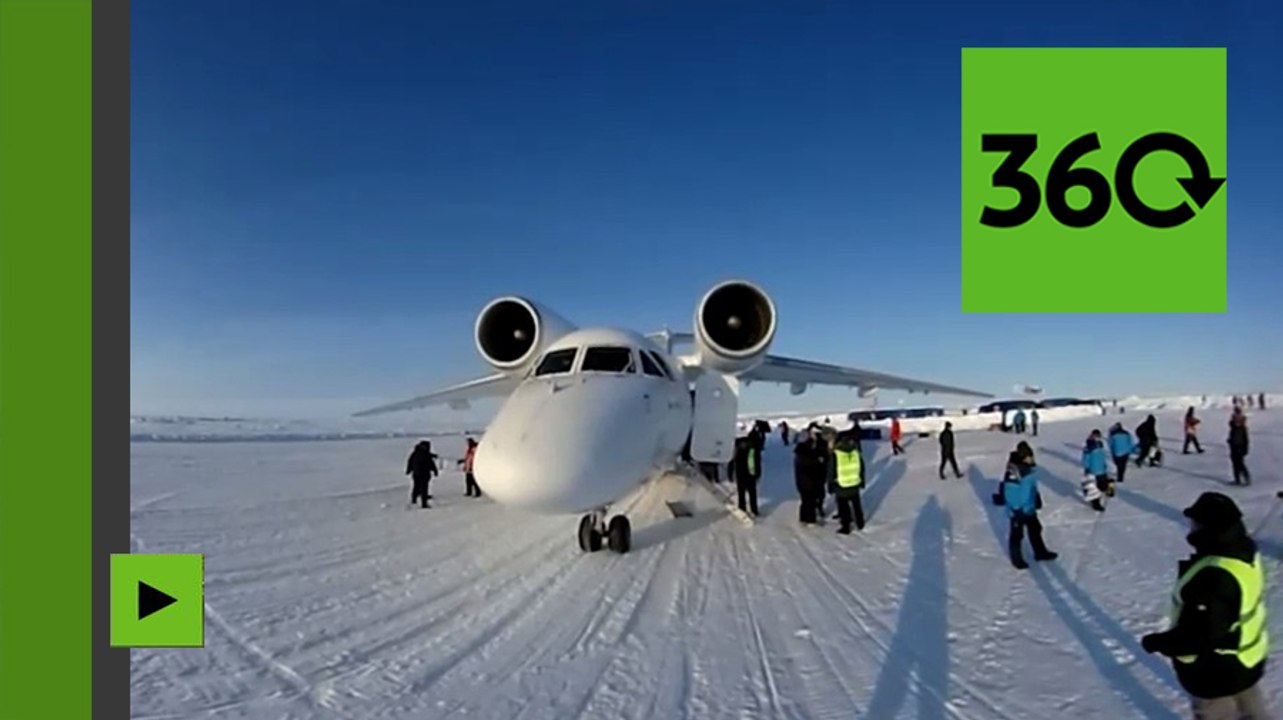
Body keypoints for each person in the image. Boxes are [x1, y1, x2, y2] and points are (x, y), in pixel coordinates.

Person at [1141, 492, 1272, 720]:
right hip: (1247, 660)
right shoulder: (1243, 550)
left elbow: (1199, 636)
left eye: (1196, 523)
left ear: (1209, 528)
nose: (1191, 528)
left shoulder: (1214, 575)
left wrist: (1157, 642)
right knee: (1252, 709)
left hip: (1215, 673)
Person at [1001, 442, 1057, 569]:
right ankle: (1017, 560)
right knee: (1017, 535)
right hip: (1019, 509)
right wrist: (1016, 508)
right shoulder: (1014, 471)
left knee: (1036, 529)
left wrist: (1036, 497)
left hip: (1029, 507)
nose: (1032, 458)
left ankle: (1040, 553)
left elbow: (1030, 485)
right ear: (1023, 457)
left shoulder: (1029, 467)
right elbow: (1009, 491)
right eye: (1029, 456)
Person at [827, 430, 866, 534]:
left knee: (843, 507)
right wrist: (862, 481)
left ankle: (846, 526)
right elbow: (862, 468)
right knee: (856, 505)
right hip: (854, 483)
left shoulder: (836, 454)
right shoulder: (856, 452)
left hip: (842, 485)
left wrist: (830, 484)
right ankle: (860, 523)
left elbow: (831, 470)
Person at [793, 430, 826, 525]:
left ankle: (803, 518)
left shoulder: (800, 453)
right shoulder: (805, 455)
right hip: (808, 481)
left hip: (802, 481)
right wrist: (818, 460)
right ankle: (811, 520)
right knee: (809, 500)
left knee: (805, 500)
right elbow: (811, 464)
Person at [728, 435, 762, 516]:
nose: (744, 445)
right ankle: (742, 509)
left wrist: (758, 473)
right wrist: (730, 473)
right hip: (741, 475)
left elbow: (757, 462)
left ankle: (754, 510)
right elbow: (731, 462)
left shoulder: (752, 449)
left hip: (750, 475)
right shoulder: (736, 450)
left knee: (752, 494)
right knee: (741, 493)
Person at [1081, 430, 1114, 512]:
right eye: (1096, 436)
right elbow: (1085, 459)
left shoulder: (1100, 445)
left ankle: (1108, 488)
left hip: (1101, 469)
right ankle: (1096, 504)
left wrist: (1104, 464)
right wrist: (1087, 468)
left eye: (1098, 436)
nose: (1097, 438)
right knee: (1093, 488)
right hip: (1093, 470)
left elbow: (1102, 457)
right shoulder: (1088, 447)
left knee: (1102, 485)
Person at [405, 439, 439, 509]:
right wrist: (435, 471)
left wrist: (408, 470)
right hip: (424, 473)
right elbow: (431, 463)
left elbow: (410, 461)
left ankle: (414, 499)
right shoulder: (425, 454)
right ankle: (424, 503)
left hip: (416, 473)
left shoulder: (415, 452)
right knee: (424, 488)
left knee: (416, 486)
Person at [1229, 408, 1251, 486]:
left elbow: (1245, 439)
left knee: (1240, 463)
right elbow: (1232, 436)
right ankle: (1237, 479)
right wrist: (1230, 441)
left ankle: (1246, 478)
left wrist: (1245, 448)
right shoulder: (1234, 427)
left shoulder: (1242, 428)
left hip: (1239, 447)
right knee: (1235, 464)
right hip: (1233, 447)